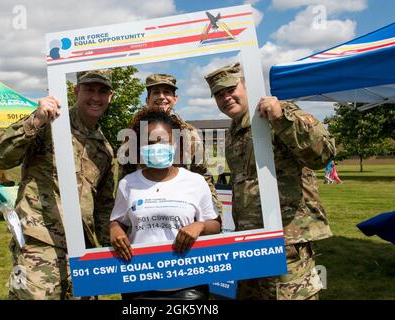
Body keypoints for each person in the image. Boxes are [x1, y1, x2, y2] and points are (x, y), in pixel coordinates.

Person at [204, 62, 336, 300]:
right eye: (218, 94)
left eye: (231, 89)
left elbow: (323, 154)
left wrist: (281, 118)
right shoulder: (234, 131)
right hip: (250, 242)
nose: (226, 97)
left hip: (286, 241)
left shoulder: (279, 113)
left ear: (246, 85)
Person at [0, 69, 116, 300]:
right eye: (89, 89)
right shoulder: (50, 124)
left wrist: (109, 249)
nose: (96, 97)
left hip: (82, 248)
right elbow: (2, 157)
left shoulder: (104, 149)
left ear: (111, 96)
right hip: (40, 242)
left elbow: (103, 205)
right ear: (76, 90)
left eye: (103, 91)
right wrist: (37, 119)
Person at [110, 107, 221, 300]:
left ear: (176, 144)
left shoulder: (195, 181)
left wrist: (200, 225)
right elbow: (117, 221)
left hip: (188, 285)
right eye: (149, 142)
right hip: (139, 283)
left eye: (163, 141)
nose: (156, 146)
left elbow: (215, 225)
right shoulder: (128, 183)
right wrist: (115, 229)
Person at [119, 74, 222, 214]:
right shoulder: (134, 133)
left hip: (181, 209)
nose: (161, 97)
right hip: (144, 209)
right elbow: (124, 178)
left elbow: (204, 176)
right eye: (156, 92)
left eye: (167, 92)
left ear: (175, 99)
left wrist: (215, 214)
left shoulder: (189, 134)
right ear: (147, 99)